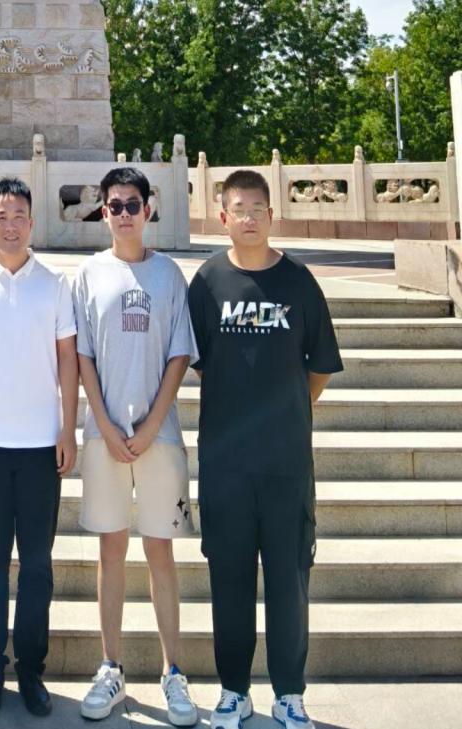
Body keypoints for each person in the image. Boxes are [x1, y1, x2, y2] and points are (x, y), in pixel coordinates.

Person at [188, 170, 343, 729]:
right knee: (228, 581)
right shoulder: (207, 283)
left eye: (258, 208)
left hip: (285, 466)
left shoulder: (299, 282)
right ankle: (233, 691)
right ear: (223, 217)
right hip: (226, 465)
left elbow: (318, 367)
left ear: (271, 215)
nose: (248, 217)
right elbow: (199, 361)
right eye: (239, 208)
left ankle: (289, 694)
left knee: (288, 583)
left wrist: (284, 411)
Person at [72, 167, 200, 726]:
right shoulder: (87, 275)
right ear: (103, 212)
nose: (124, 213)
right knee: (111, 551)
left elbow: (180, 354)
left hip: (160, 436)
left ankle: (174, 671)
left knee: (161, 552)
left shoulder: (169, 275)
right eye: (114, 205)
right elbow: (82, 356)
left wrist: (150, 426)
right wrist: (103, 423)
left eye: (132, 204)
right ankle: (111, 666)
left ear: (148, 209)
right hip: (104, 435)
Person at [0, 177, 79, 717]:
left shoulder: (55, 284)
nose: (9, 225)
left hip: (40, 448)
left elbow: (68, 359)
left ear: (32, 222)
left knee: (37, 568)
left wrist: (68, 429)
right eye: (0, 216)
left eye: (18, 216)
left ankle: (30, 670)